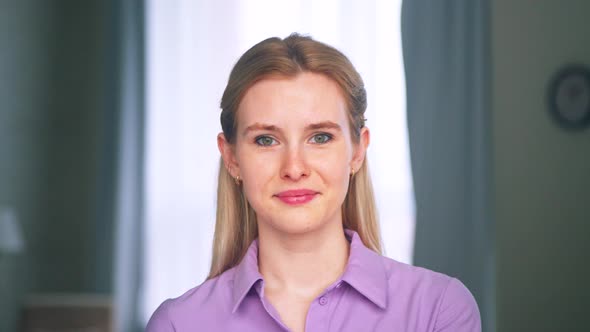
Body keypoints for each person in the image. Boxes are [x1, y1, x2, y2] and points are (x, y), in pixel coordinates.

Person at [146, 33, 481, 332]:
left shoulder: (439, 309)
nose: (294, 168)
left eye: (320, 137)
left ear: (357, 150)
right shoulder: (177, 324)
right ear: (232, 158)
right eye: (266, 140)